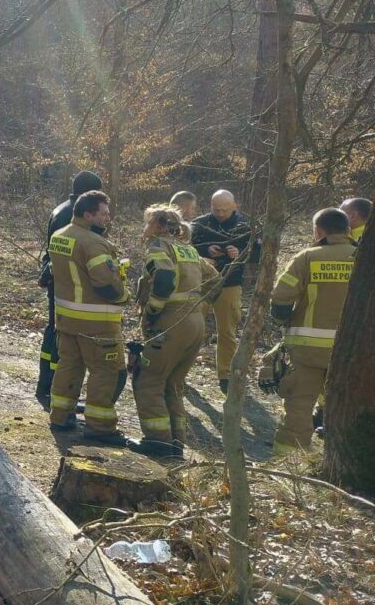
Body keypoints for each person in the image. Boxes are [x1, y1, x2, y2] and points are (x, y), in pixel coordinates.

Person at [266, 208, 357, 453]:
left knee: (299, 406)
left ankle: (288, 463)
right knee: (350, 407)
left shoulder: (307, 257)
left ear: (318, 231)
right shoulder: (365, 258)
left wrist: (284, 323)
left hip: (308, 351)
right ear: (348, 230)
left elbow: (281, 300)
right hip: (354, 353)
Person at [132, 205, 219, 458]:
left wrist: (154, 310)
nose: (145, 228)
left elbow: (164, 278)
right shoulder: (189, 250)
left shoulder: (159, 246)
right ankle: (175, 441)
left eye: (148, 223)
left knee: (148, 379)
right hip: (194, 323)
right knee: (172, 383)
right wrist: (198, 306)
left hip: (170, 323)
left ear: (159, 226)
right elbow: (215, 281)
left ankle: (157, 441)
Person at [48, 190, 131, 444]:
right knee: (106, 372)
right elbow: (105, 283)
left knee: (69, 367)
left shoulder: (59, 236)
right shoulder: (95, 243)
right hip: (97, 323)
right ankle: (100, 427)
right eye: (103, 213)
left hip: (66, 320)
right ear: (88, 215)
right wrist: (124, 296)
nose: (108, 218)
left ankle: (60, 416)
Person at [37, 170, 104, 410]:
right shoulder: (76, 216)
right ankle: (55, 392)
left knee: (53, 333)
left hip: (58, 282)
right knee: (62, 339)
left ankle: (46, 388)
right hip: (69, 286)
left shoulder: (62, 210)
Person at [190, 190, 259, 391]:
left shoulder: (245, 226)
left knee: (227, 331)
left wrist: (240, 253)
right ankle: (181, 370)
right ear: (210, 206)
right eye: (216, 209)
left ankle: (226, 375)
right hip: (201, 283)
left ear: (234, 206)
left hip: (230, 283)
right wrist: (205, 252)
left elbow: (260, 253)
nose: (220, 213)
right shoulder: (199, 224)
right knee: (192, 329)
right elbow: (186, 248)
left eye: (224, 209)